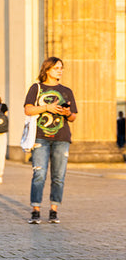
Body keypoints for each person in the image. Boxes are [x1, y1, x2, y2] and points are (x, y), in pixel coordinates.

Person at [24, 57, 77, 224]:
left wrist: (66, 113)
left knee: (58, 176)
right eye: (56, 68)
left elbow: (73, 116)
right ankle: (35, 209)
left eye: (61, 68)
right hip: (41, 136)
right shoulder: (36, 88)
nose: (59, 71)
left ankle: (54, 209)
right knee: (39, 173)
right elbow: (28, 109)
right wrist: (47, 107)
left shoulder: (66, 90)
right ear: (47, 70)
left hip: (62, 138)